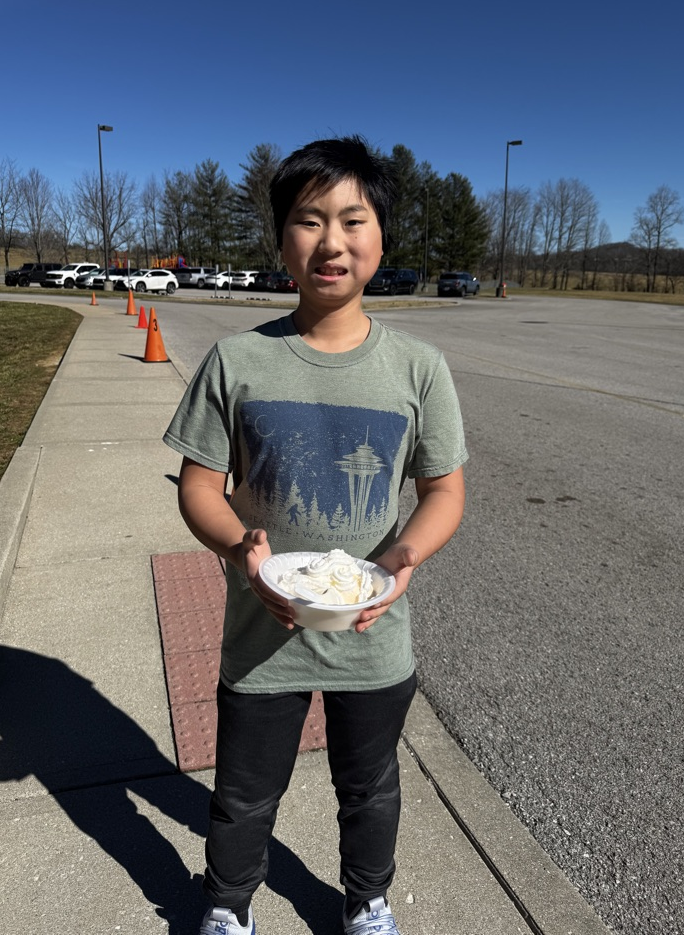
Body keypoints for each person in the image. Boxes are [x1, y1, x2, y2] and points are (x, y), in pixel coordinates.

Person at [163, 135, 468, 935]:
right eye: (307, 220)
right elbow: (200, 486)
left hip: (373, 630)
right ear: (280, 241)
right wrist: (241, 550)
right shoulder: (237, 361)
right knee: (242, 792)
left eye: (352, 219)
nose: (330, 241)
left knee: (369, 786)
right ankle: (229, 907)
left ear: (379, 240)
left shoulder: (420, 368)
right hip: (264, 629)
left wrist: (403, 557)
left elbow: (443, 490)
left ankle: (367, 900)